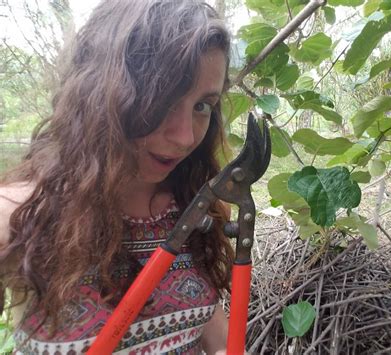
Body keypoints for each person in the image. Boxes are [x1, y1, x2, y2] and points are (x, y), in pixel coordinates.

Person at [0, 0, 236, 353]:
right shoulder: (23, 214)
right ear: (105, 94)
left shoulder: (191, 204)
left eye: (202, 106)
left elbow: (203, 320)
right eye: (165, 98)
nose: (185, 136)